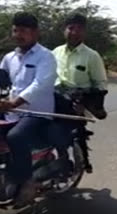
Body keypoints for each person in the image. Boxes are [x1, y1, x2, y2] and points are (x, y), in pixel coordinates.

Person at [0, 12, 57, 206]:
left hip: (37, 112)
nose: (18, 35)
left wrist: (16, 102)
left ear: (35, 33)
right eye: (15, 30)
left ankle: (27, 183)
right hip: (11, 111)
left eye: (23, 31)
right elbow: (2, 79)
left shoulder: (46, 57)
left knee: (15, 137)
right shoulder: (9, 58)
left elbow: (40, 84)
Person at [52, 13, 108, 172]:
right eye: (71, 28)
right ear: (64, 30)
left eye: (79, 29)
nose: (74, 32)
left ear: (85, 32)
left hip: (76, 104)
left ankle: (70, 163)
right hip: (53, 98)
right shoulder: (55, 52)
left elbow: (101, 84)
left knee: (66, 134)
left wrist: (84, 96)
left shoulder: (92, 56)